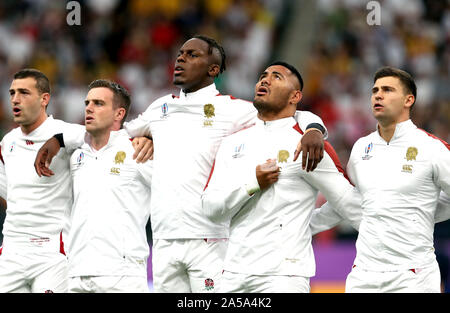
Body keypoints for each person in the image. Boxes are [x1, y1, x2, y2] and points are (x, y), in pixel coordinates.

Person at [34, 35, 328, 293]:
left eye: (192, 55)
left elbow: (284, 115)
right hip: (164, 240)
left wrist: (315, 129)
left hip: (211, 238)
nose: (181, 59)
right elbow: (114, 134)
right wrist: (61, 138)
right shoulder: (160, 108)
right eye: (180, 55)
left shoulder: (233, 109)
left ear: (213, 70)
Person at [201, 61, 361, 293]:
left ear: (295, 96)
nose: (264, 80)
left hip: (283, 277)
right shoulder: (231, 143)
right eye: (263, 75)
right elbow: (210, 209)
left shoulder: (309, 145)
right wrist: (252, 184)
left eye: (277, 77)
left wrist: (307, 224)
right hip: (232, 275)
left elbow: (347, 202)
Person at [310, 66, 450, 293]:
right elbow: (351, 202)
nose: (378, 95)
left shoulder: (432, 148)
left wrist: (423, 212)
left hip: (414, 276)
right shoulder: (360, 148)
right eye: (375, 90)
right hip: (363, 276)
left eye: (388, 90)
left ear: (408, 100)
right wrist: (305, 225)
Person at [0, 69, 84, 292]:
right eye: (12, 93)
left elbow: (103, 135)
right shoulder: (7, 142)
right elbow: (7, 195)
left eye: (24, 93)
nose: (15, 99)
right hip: (11, 252)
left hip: (51, 254)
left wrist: (58, 140)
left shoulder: (64, 132)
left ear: (44, 99)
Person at [67, 79, 152, 293]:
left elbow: (173, 190)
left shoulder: (139, 150)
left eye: (98, 103)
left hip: (122, 276)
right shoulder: (76, 155)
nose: (88, 108)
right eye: (87, 102)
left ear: (119, 114)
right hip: (77, 274)